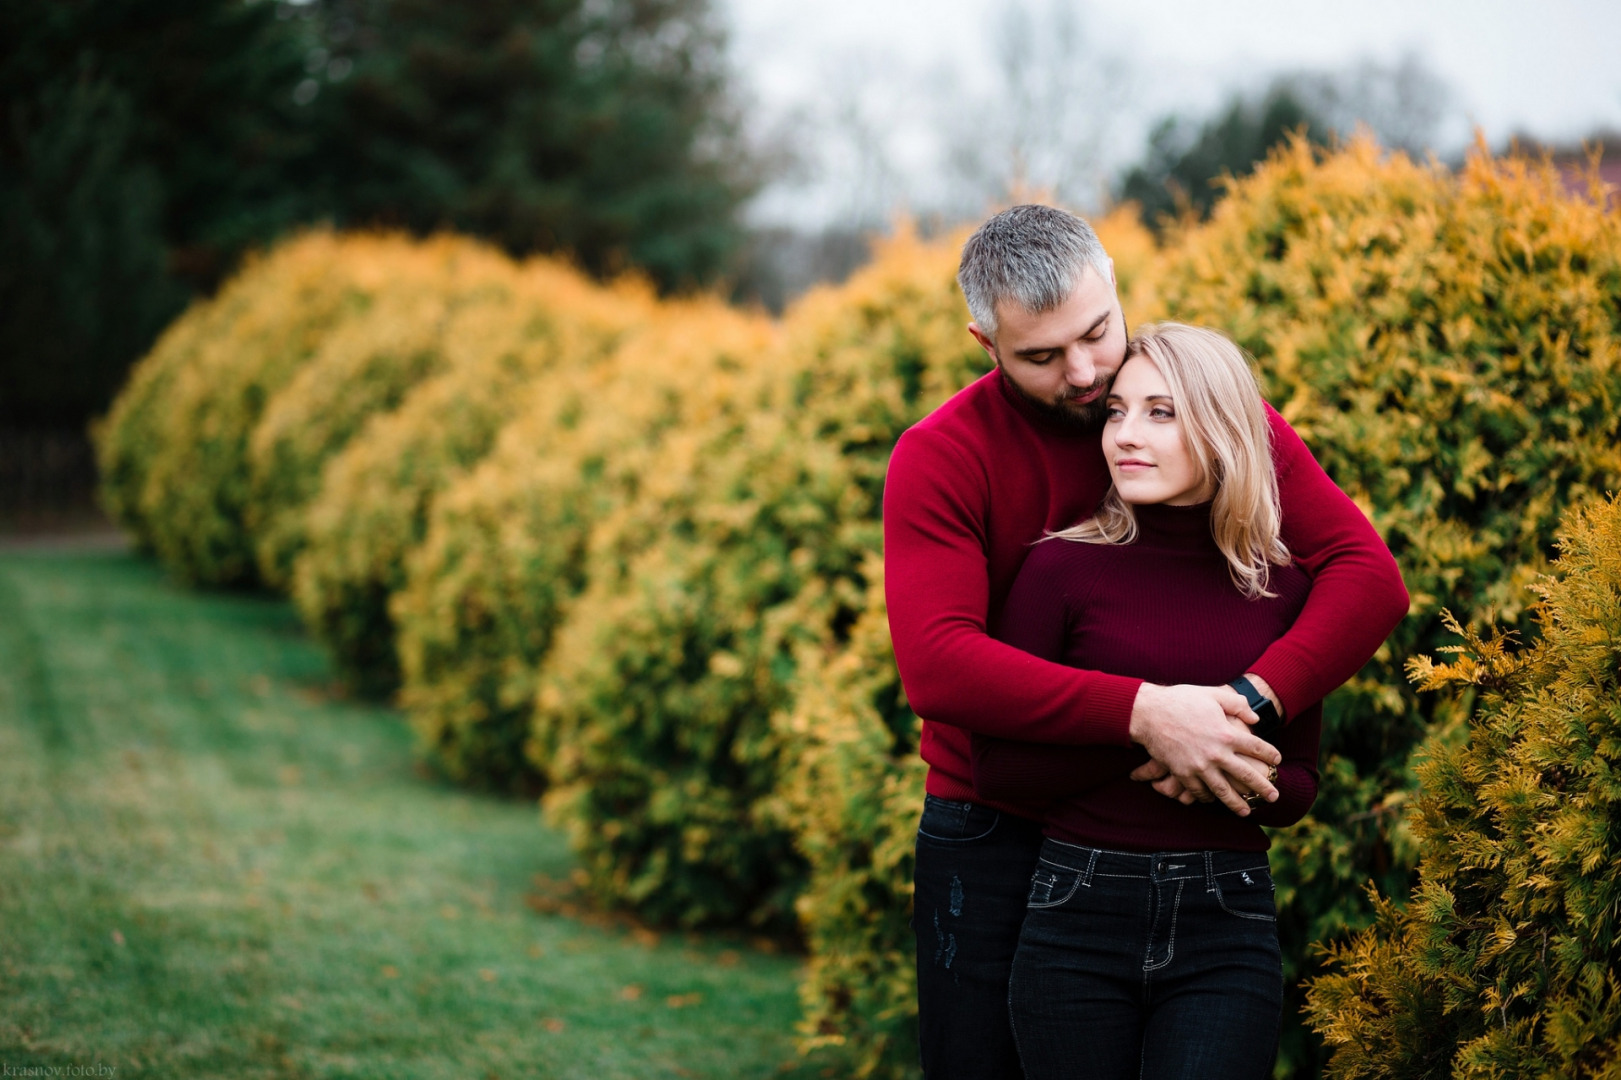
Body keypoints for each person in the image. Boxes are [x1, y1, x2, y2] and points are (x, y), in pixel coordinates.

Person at [883, 204, 1408, 1079]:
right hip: (990, 822)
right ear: (985, 342)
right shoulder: (941, 455)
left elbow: (1363, 574)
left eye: (1095, 332)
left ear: (1114, 285)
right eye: (1040, 357)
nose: (1087, 375)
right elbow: (939, 664)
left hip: (1184, 845)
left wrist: (1240, 708)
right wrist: (1147, 715)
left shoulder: (1190, 412)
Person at [972, 321, 1339, 1078]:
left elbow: (1297, 784)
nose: (1123, 437)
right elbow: (999, 771)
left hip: (1226, 923)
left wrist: (1221, 767)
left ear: (1218, 426)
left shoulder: (1281, 588)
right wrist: (1156, 732)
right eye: (1115, 412)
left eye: (1159, 412)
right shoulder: (1059, 570)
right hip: (1073, 915)